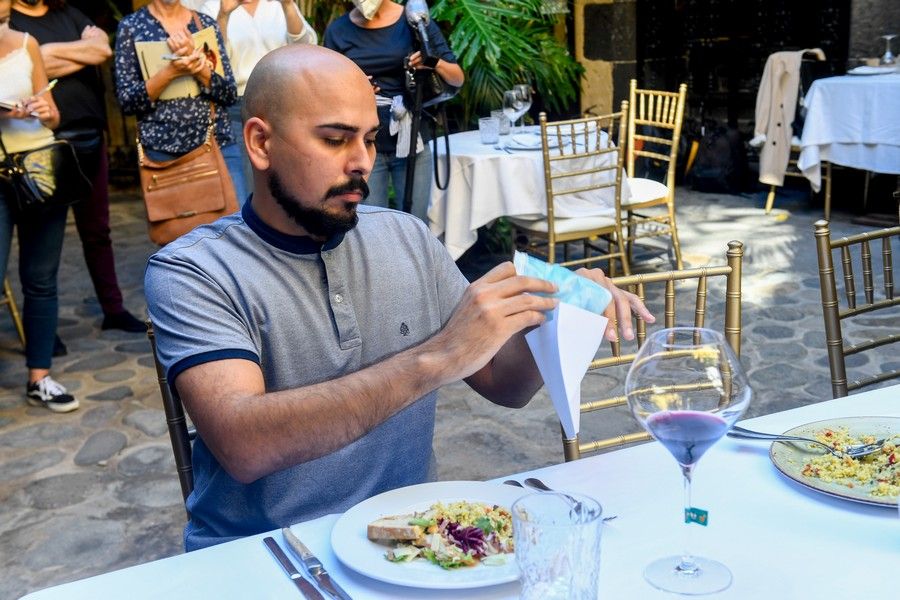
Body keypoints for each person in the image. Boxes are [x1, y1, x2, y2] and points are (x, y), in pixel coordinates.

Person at [145, 44, 653, 551]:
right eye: (335, 139)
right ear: (260, 143)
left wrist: (555, 316)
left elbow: (504, 385)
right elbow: (244, 444)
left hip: (409, 543)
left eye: (369, 139)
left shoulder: (407, 238)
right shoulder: (193, 271)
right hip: (264, 555)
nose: (362, 161)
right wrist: (440, 355)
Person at [11, 0, 146, 337]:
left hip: (90, 138)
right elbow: (21, 67)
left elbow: (102, 49)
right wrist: (74, 51)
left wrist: (45, 54)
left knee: (98, 231)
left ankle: (113, 309)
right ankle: (44, 330)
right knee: (41, 240)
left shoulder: (67, 12)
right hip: (45, 146)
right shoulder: (8, 20)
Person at [0, 0, 78, 412]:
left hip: (38, 168)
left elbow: (53, 115)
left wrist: (47, 111)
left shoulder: (28, 43)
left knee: (41, 278)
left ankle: (39, 377)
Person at [324, 0, 463, 223]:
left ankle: (417, 260)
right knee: (368, 224)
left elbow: (457, 77)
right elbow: (326, 89)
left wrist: (432, 61)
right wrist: (355, 88)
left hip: (412, 138)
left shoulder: (414, 18)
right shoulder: (338, 30)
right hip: (363, 143)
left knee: (415, 223)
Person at [199, 0, 316, 205]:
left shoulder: (277, 4)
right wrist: (224, 15)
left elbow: (306, 48)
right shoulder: (212, 6)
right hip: (237, 106)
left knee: (289, 172)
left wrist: (288, 6)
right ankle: (252, 234)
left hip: (285, 100)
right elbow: (210, 60)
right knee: (247, 180)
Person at [114, 0, 238, 193]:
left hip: (216, 144)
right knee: (179, 223)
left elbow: (229, 94)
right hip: (162, 153)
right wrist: (170, 72)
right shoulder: (131, 27)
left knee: (234, 220)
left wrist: (201, 70)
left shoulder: (204, 24)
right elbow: (127, 102)